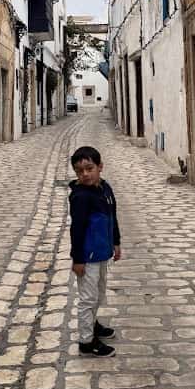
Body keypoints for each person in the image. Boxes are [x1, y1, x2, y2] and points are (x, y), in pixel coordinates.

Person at [69, 145, 122, 357]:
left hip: (102, 252)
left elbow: (112, 216)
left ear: (100, 167)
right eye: (79, 171)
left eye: (89, 168)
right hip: (88, 256)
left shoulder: (105, 189)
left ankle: (92, 324)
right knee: (88, 298)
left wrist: (116, 242)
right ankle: (86, 340)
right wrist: (78, 259)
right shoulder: (80, 197)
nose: (85, 174)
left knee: (98, 294)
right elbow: (77, 229)